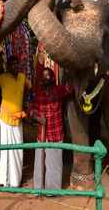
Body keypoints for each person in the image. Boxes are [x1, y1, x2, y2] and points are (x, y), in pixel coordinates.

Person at [30, 51, 72, 191]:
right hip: (42, 134)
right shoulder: (38, 94)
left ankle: (52, 190)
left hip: (55, 133)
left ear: (53, 79)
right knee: (39, 163)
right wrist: (37, 117)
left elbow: (70, 88)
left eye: (48, 76)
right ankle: (38, 188)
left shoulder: (58, 91)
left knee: (54, 163)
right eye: (44, 77)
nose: (46, 78)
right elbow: (32, 110)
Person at [0, 56, 29, 187]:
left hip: (18, 119)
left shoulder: (22, 78)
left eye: (17, 64)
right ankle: (4, 181)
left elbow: (30, 87)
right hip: (5, 118)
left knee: (17, 149)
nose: (15, 66)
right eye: (12, 64)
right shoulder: (3, 77)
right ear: (8, 66)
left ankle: (15, 181)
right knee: (5, 149)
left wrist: (25, 105)